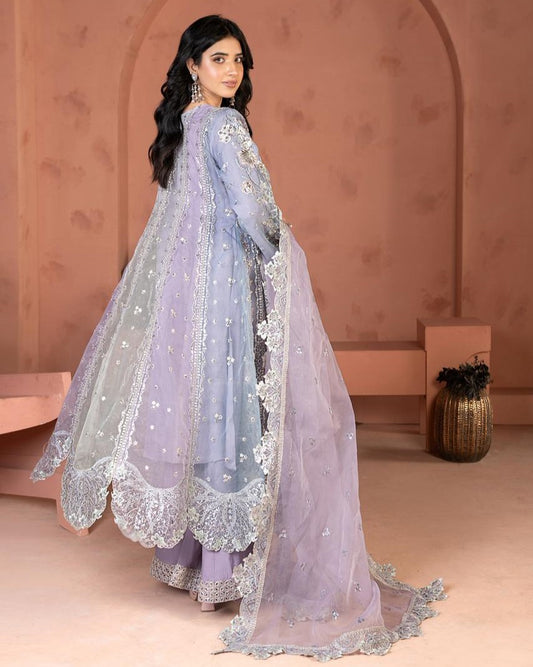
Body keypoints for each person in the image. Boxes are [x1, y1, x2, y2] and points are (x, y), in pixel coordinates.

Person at [32, 15, 445, 659]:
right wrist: (284, 251)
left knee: (198, 412)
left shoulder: (183, 126)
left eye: (238, 60)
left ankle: (190, 561)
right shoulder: (224, 127)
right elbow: (253, 211)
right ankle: (222, 571)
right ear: (192, 65)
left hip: (181, 295)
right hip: (223, 292)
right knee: (227, 410)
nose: (231, 70)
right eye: (218, 58)